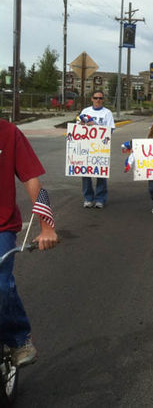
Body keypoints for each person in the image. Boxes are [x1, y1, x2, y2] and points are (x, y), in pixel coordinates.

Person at [1, 120, 59, 367]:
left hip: (1, 227)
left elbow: (32, 178)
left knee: (0, 285)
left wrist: (47, 226)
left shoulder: (8, 132)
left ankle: (18, 339)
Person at [79, 90, 115, 208]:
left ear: (103, 100)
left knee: (101, 174)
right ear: (92, 99)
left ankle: (100, 199)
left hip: (101, 147)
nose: (98, 100)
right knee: (86, 173)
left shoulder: (107, 113)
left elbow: (110, 130)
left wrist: (95, 125)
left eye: (100, 98)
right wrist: (83, 125)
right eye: (96, 98)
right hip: (86, 146)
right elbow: (79, 126)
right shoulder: (85, 111)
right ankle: (88, 198)